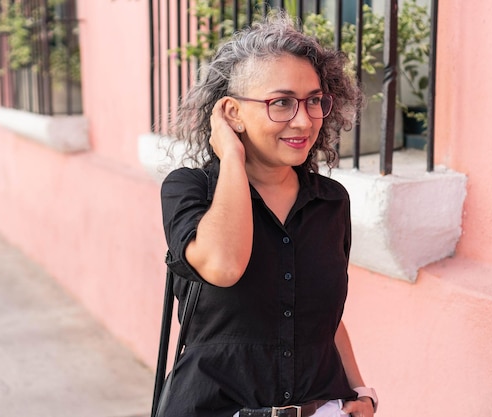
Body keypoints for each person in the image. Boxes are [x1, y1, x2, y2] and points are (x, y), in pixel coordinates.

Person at [160, 11, 378, 417]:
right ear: (232, 113)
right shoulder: (188, 189)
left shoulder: (330, 201)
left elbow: (320, 320)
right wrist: (230, 156)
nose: (304, 119)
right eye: (281, 102)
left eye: (314, 101)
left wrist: (358, 391)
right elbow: (224, 265)